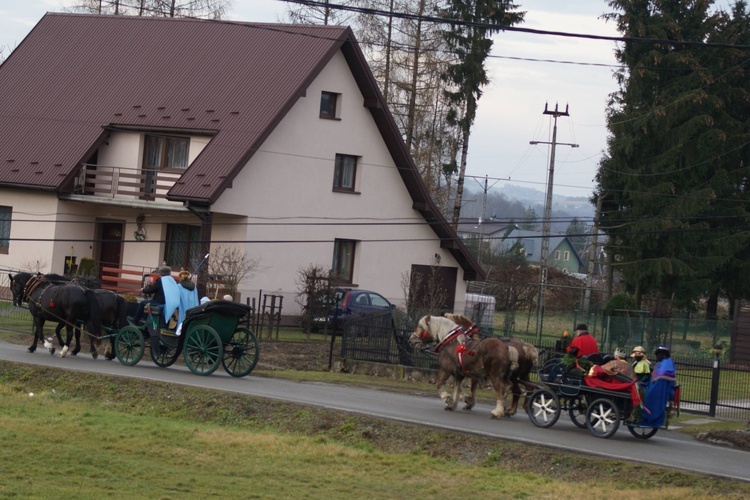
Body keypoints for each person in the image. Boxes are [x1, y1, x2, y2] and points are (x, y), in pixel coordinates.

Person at [640, 344, 677, 428]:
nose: (658, 356)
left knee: (648, 397)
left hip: (661, 389)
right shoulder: (663, 362)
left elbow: (660, 379)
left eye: (660, 354)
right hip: (654, 386)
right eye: (658, 354)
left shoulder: (667, 364)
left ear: (664, 355)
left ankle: (648, 419)